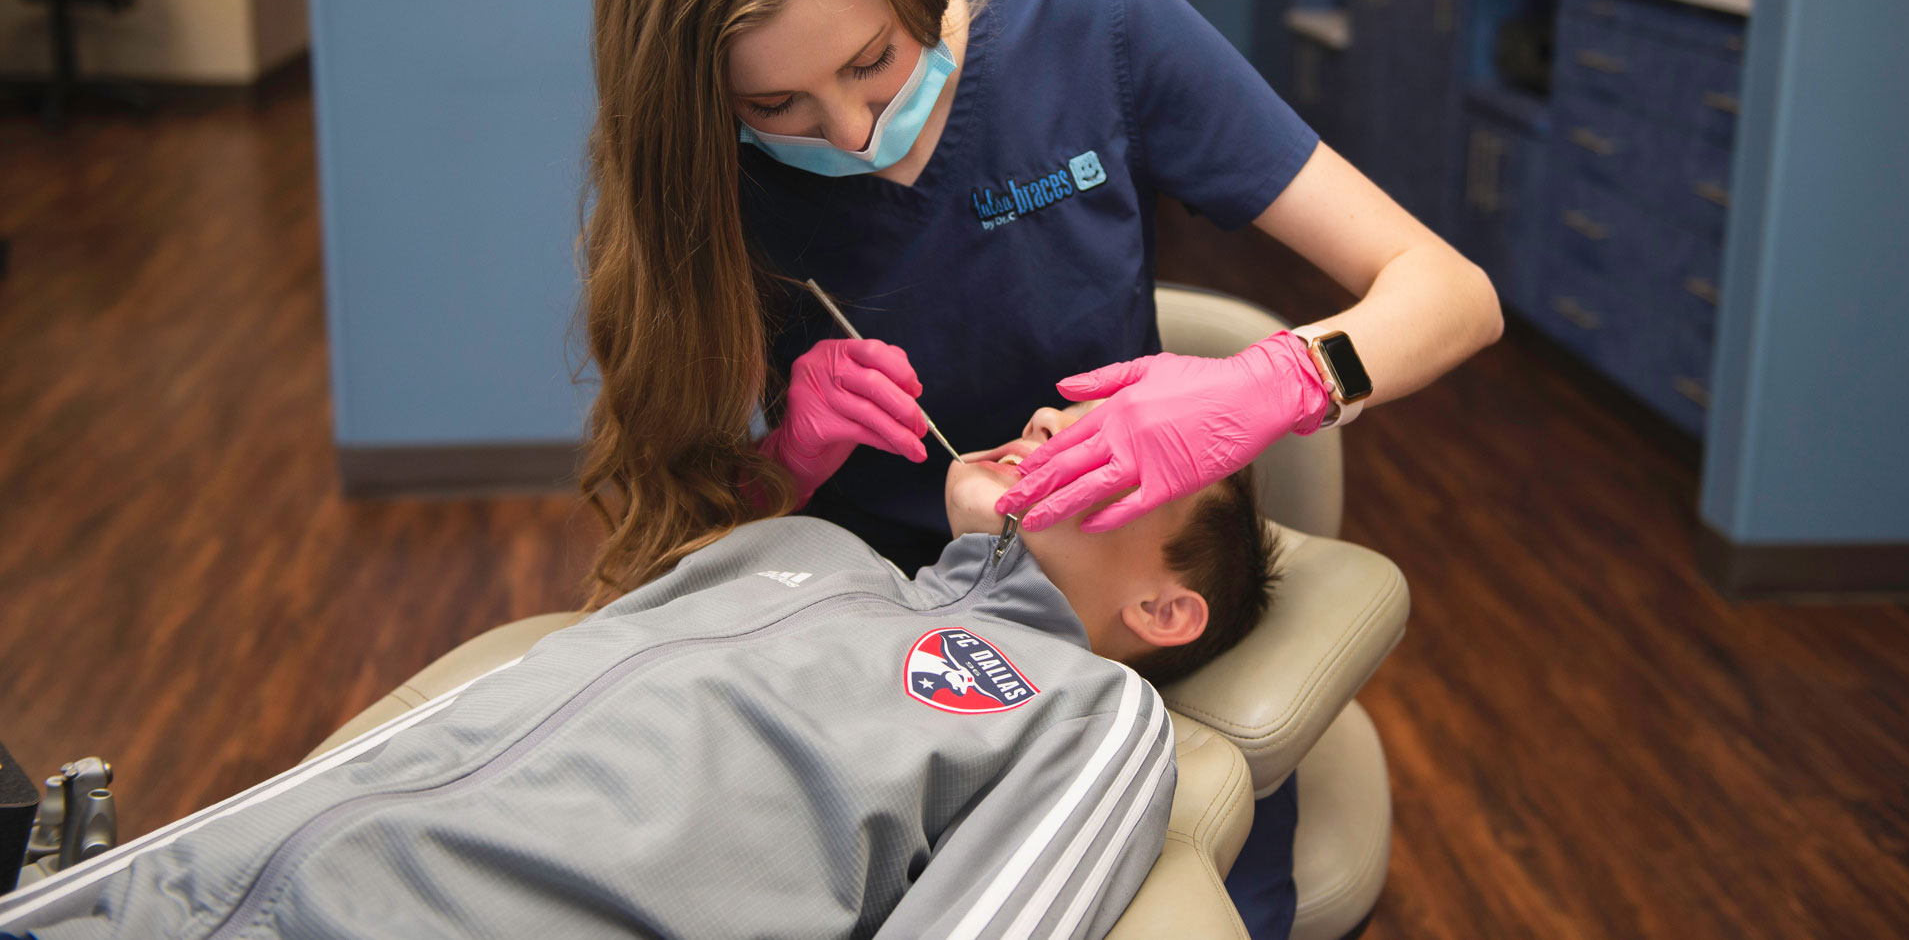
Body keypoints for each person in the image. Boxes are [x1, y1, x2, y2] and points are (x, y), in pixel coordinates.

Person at [579, 0, 1502, 936]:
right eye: (781, 109)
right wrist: (791, 455)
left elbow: (1452, 295)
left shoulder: (1095, 29)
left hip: (1084, 641)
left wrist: (1281, 378)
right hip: (860, 640)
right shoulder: (693, 173)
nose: (855, 133)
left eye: (874, 62)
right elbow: (672, 540)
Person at [0, 408, 1271, 940]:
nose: (1055, 423)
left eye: (1121, 450)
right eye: (1070, 407)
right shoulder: (804, 547)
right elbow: (458, 721)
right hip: (184, 894)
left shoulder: (1089, 711)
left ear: (1166, 605)